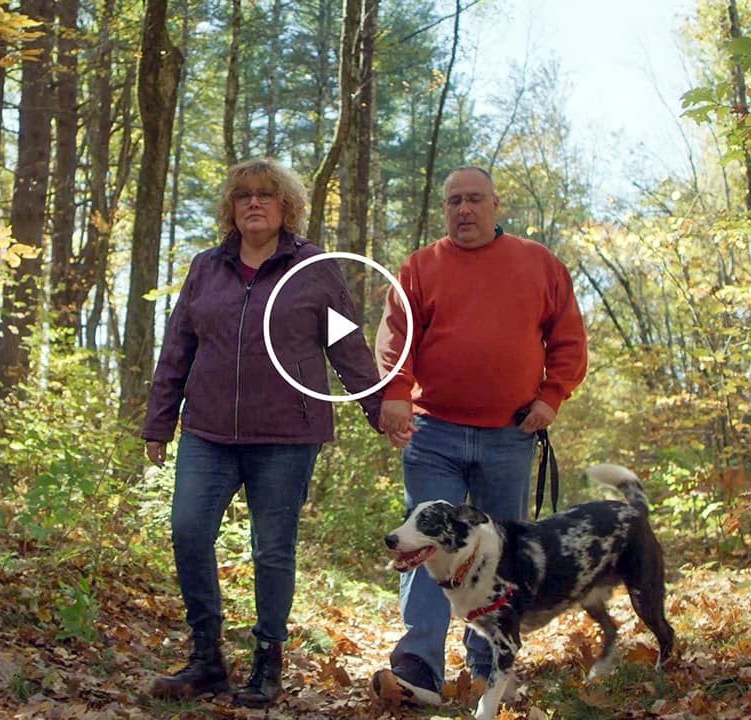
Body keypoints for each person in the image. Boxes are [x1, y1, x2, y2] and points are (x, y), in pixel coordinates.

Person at [142, 157, 383, 708]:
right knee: (187, 531)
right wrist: (159, 421)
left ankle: (267, 663)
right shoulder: (206, 267)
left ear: (286, 207)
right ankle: (206, 658)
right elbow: (178, 347)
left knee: (272, 550)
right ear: (231, 206)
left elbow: (347, 345)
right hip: (206, 433)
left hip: (286, 435)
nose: (254, 203)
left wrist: (380, 409)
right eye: (244, 194)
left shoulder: (313, 267)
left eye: (266, 195)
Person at [370, 165, 588, 705]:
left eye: (473, 200)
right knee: (421, 544)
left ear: (495, 205)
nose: (463, 210)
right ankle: (417, 665)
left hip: (508, 435)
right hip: (433, 432)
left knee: (499, 556)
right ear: (444, 209)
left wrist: (551, 396)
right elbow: (396, 338)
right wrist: (394, 393)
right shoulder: (420, 267)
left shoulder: (539, 264)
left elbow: (567, 338)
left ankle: (491, 665)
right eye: (453, 202)